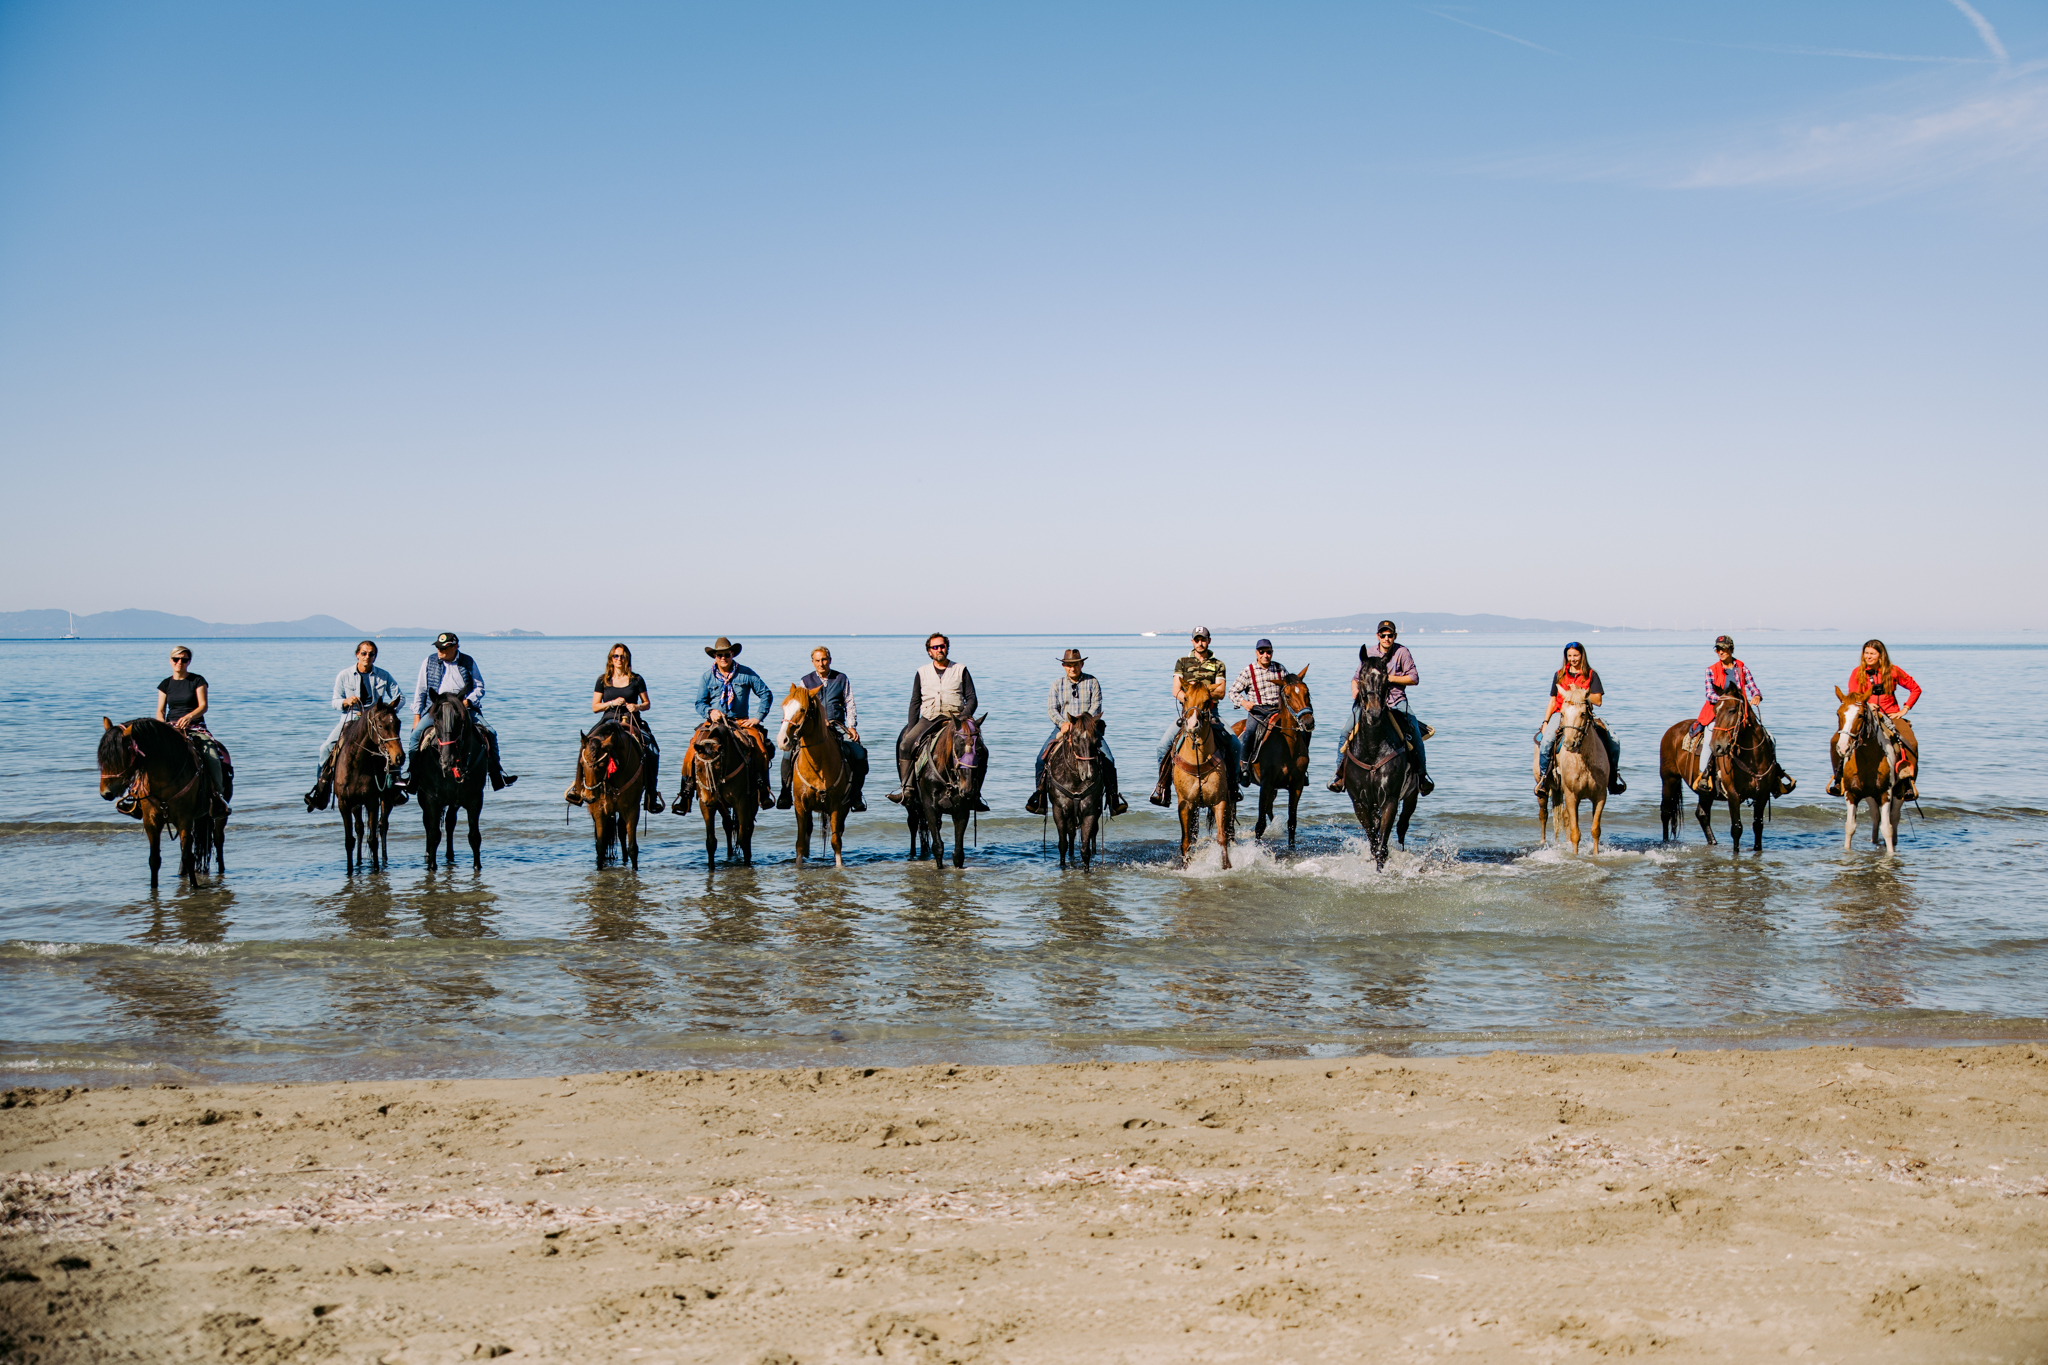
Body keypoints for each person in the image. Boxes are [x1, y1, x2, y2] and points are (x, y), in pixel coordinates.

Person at [1327, 621, 1433, 796]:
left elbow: (1414, 678)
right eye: (1383, 635)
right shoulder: (1369, 653)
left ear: (1395, 636)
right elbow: (1355, 678)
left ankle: (1422, 777)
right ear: (1378, 636)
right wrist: (1355, 690)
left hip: (1395, 700)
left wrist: (1389, 678)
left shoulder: (1402, 652)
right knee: (1345, 731)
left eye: (1390, 635)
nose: (1386, 638)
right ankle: (1339, 775)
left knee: (1414, 732)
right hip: (1369, 702)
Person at [887, 633, 990, 811]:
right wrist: (911, 729)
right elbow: (915, 702)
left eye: (942, 646)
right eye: (935, 647)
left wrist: (963, 717)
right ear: (929, 652)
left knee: (982, 750)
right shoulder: (921, 672)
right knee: (905, 745)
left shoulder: (961, 669)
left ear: (947, 648)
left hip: (957, 719)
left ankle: (976, 794)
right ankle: (907, 789)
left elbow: (972, 699)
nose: (939, 650)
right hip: (929, 718)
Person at [129, 645, 232, 817]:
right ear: (170, 661)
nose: (180, 663)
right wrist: (162, 726)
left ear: (189, 662)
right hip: (170, 728)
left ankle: (217, 796)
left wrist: (189, 717)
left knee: (211, 753)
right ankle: (136, 796)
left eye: (184, 659)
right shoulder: (165, 684)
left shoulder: (198, 680)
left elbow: (203, 706)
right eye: (176, 659)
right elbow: (160, 710)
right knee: (144, 754)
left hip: (194, 726)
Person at [1025, 648, 1129, 817]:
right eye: (1068, 665)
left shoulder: (1092, 681)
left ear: (1082, 664)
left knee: (1109, 759)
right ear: (1064, 666)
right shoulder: (1057, 684)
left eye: (1075, 664)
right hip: (1064, 728)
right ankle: (1040, 798)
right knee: (1040, 759)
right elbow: (1052, 710)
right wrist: (1062, 723)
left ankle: (1113, 800)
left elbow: (1097, 706)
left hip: (1088, 730)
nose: (1072, 668)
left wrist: (1082, 723)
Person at [305, 640, 407, 812]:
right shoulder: (344, 675)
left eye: (371, 654)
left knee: (392, 746)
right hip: (351, 719)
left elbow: (401, 697)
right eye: (364, 653)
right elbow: (334, 701)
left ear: (375, 656)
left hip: (375, 722)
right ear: (357, 655)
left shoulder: (384, 675)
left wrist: (386, 712)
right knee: (325, 748)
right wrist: (346, 701)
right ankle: (322, 791)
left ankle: (394, 787)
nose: (367, 657)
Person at [408, 631, 518, 790]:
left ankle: (496, 775)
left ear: (455, 647)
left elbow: (480, 687)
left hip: (462, 708)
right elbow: (421, 690)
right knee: (415, 736)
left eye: (443, 648)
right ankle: (412, 776)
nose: (439, 651)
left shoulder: (468, 661)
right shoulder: (428, 662)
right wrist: (417, 715)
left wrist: (468, 701)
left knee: (491, 733)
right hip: (437, 708)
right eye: (438, 647)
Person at [678, 637, 776, 812]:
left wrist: (757, 718)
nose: (723, 658)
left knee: (760, 748)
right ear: (714, 657)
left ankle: (763, 789)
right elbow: (699, 703)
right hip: (712, 723)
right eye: (719, 655)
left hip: (740, 722)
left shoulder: (747, 673)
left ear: (732, 654)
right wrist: (710, 712)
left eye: (726, 654)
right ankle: (686, 792)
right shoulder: (707, 677)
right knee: (692, 750)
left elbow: (766, 694)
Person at [566, 643, 664, 814]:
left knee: (653, 749)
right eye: (616, 656)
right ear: (611, 659)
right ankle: (578, 788)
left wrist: (636, 706)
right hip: (608, 720)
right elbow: (595, 707)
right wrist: (611, 703)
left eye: (623, 656)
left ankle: (651, 794)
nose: (619, 659)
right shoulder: (602, 680)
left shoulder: (636, 679)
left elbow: (647, 704)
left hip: (632, 720)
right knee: (585, 746)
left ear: (627, 659)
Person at [1150, 627, 1240, 807]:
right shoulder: (1182, 662)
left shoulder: (1218, 664)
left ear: (1209, 641)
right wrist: (1192, 703)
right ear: (1192, 641)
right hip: (1188, 713)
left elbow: (1221, 691)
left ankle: (1233, 786)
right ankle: (1163, 787)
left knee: (1235, 744)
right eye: (1197, 639)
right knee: (1162, 746)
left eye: (1203, 639)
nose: (1200, 643)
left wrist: (1202, 699)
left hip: (1210, 714)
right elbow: (1176, 690)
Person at [777, 645, 870, 812]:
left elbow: (850, 703)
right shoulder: (805, 681)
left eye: (824, 660)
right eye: (818, 660)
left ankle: (856, 795)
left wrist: (851, 726)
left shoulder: (841, 678)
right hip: (812, 728)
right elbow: (800, 707)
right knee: (787, 753)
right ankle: (785, 793)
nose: (821, 664)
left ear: (830, 660)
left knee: (859, 753)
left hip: (836, 727)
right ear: (813, 662)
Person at [1832, 639, 1922, 802]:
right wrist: (1868, 704)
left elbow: (1915, 688)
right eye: (1866, 653)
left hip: (1891, 714)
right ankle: (1839, 779)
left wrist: (1904, 709)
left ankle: (1907, 782)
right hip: (1866, 715)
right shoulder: (1857, 672)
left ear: (1881, 656)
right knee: (1835, 740)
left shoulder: (1893, 671)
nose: (1868, 656)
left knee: (1910, 741)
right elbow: (1854, 697)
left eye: (1872, 653)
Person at [1532, 642, 1625, 796]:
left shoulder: (1591, 674)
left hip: (1583, 714)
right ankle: (1544, 778)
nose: (1573, 659)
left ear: (1582, 655)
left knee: (1614, 739)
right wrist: (1545, 722)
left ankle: (1613, 779)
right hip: (1561, 714)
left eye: (1576, 655)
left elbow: (1598, 700)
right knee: (1547, 739)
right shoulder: (1560, 674)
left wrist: (1582, 694)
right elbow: (1553, 700)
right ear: (1566, 657)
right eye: (1569, 656)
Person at [1690, 634, 1763, 794]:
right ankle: (1704, 775)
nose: (1720, 652)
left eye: (1723, 649)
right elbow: (1710, 694)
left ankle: (1773, 776)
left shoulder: (1742, 667)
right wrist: (1727, 701)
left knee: (1768, 737)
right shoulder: (1711, 670)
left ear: (1731, 649)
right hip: (1718, 712)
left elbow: (1752, 685)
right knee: (1710, 738)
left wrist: (1756, 695)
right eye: (1717, 649)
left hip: (1739, 713)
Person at [1229, 638, 1288, 786]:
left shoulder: (1280, 669)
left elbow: (1289, 690)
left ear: (1272, 653)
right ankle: (1245, 766)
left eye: (1268, 652)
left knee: (1299, 731)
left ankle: (1300, 769)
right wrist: (1244, 703)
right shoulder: (1248, 671)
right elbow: (1232, 692)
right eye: (1262, 652)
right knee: (1249, 732)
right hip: (1258, 712)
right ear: (1257, 653)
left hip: (1278, 711)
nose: (1265, 655)